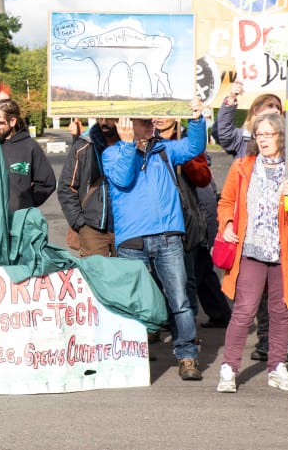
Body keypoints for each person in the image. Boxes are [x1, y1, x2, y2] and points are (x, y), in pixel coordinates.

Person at [102, 100, 206, 381]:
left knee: (180, 300)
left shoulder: (164, 149)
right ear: (125, 124)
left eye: (152, 120)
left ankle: (187, 357)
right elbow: (123, 180)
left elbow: (194, 147)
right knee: (135, 302)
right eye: (144, 121)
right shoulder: (112, 154)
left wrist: (196, 120)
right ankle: (135, 356)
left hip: (168, 235)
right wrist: (127, 145)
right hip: (132, 239)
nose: (152, 123)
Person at [215, 113, 288, 393]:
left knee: (281, 312)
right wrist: (228, 224)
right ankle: (228, 368)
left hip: (284, 254)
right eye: (259, 135)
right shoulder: (242, 167)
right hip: (251, 251)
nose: (262, 140)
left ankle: (277, 367)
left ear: (281, 138)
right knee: (244, 311)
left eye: (269, 134)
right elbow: (226, 202)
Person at [213, 82, 288, 362]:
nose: (265, 137)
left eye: (278, 111)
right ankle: (257, 348)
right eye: (268, 110)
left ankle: (286, 347)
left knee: (284, 300)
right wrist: (230, 99)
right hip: (251, 238)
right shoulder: (243, 152)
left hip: (284, 237)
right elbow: (222, 133)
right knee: (251, 303)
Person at [154, 118, 231, 330]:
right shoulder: (145, 138)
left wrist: (182, 155)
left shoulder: (189, 139)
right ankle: (216, 312)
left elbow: (203, 177)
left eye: (166, 112)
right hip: (157, 219)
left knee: (191, 273)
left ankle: (188, 325)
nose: (159, 118)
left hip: (187, 217)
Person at [57, 118, 118, 257]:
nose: (103, 122)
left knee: (126, 275)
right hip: (92, 228)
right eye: (100, 117)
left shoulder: (132, 144)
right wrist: (79, 222)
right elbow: (66, 187)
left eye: (109, 118)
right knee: (94, 275)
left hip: (126, 226)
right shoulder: (83, 145)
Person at [0, 99, 56, 213]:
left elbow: (47, 183)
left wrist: (26, 203)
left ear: (12, 121)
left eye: (0, 122)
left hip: (18, 221)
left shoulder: (30, 147)